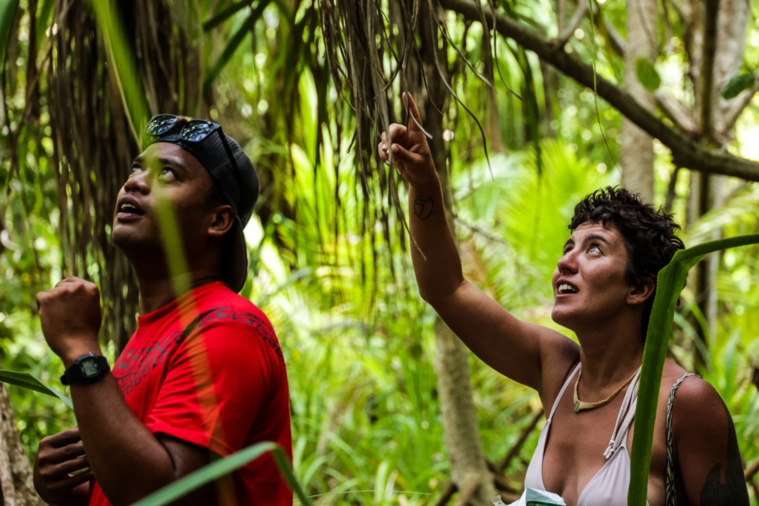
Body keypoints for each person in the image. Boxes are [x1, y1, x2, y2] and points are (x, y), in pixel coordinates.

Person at [378, 93, 749, 506]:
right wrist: (424, 183)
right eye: (568, 247)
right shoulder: (558, 370)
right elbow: (445, 288)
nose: (566, 262)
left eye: (594, 249)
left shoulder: (684, 402)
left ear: (639, 288)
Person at [33, 115, 292, 505]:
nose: (134, 181)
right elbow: (138, 478)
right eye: (137, 168)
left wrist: (80, 348)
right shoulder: (151, 337)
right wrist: (72, 490)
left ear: (218, 220)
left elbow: (162, 494)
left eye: (167, 173)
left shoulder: (227, 327)